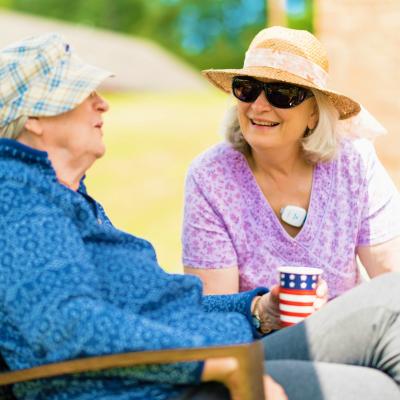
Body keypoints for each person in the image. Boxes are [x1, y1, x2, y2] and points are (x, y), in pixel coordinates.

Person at [0, 33, 400, 400]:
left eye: (282, 93)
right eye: (83, 94)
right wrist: (210, 362)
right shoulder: (20, 200)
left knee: (388, 313)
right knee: (383, 352)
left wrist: (256, 310)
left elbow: (156, 307)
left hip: (206, 357)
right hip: (169, 384)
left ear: (315, 114)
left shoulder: (61, 197)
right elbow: (67, 325)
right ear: (34, 118)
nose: (103, 102)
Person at [182, 26, 400, 298]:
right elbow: (217, 311)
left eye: (282, 93)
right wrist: (264, 314)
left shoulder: (355, 163)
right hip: (257, 338)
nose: (258, 106)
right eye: (247, 89)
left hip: (350, 335)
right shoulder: (210, 176)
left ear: (314, 114)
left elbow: (391, 277)